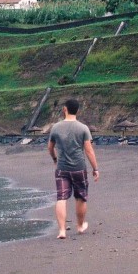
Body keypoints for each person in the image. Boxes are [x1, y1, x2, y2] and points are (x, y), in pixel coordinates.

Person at [47, 98, 99, 238]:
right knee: (80, 197)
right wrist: (95, 168)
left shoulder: (56, 127)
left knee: (61, 198)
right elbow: (89, 150)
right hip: (78, 168)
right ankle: (80, 226)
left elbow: (50, 147)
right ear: (78, 110)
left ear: (65, 109)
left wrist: (54, 159)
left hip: (62, 168)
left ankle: (62, 231)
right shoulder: (83, 128)